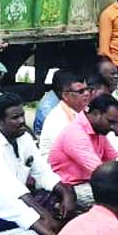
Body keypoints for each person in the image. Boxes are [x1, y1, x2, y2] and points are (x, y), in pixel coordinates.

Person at [0, 92, 68, 223]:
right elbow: (12, 190)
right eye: (15, 117)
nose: (22, 121)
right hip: (2, 208)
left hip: (26, 199)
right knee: (50, 219)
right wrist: (44, 216)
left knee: (66, 205)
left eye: (22, 115)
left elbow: (42, 172)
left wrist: (66, 192)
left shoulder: (24, 138)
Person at [47, 93, 118, 209]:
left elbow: (116, 160)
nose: (113, 127)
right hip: (68, 189)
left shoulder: (99, 131)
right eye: (110, 122)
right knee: (117, 195)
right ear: (96, 114)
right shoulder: (75, 134)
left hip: (87, 183)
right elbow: (100, 172)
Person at [35, 71, 91, 207]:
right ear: (65, 95)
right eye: (81, 91)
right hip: (62, 184)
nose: (87, 94)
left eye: (87, 89)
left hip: (82, 176)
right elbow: (83, 156)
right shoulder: (57, 120)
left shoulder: (84, 111)